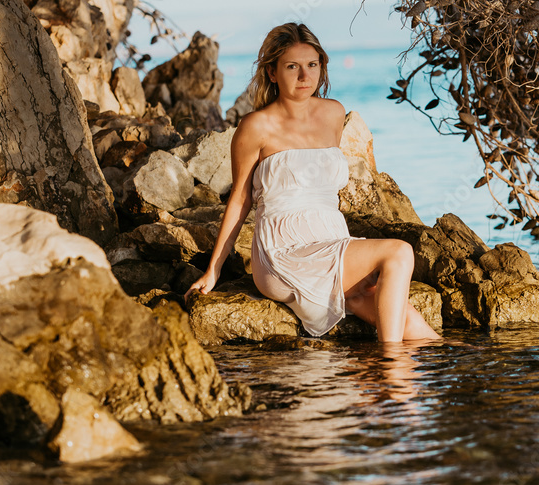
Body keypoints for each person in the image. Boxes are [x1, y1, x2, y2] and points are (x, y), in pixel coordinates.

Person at [185, 23, 441, 343]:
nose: (305, 76)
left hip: (331, 240)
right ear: (273, 72)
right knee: (399, 253)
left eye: (312, 65)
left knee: (418, 331)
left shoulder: (333, 113)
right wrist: (214, 270)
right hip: (283, 251)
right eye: (293, 67)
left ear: (321, 66)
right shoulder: (256, 126)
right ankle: (388, 361)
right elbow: (239, 199)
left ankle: (395, 390)